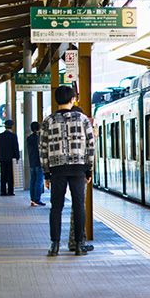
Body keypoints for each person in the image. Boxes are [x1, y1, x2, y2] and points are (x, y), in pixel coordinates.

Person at [39, 86, 95, 257]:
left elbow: (42, 149)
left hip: (57, 169)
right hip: (78, 168)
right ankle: (79, 245)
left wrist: (46, 174)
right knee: (79, 206)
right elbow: (90, 146)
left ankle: (54, 246)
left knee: (56, 207)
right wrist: (89, 169)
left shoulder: (48, 121)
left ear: (56, 101)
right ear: (72, 100)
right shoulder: (83, 119)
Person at [66, 106, 94, 253]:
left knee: (75, 208)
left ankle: (74, 241)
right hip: (80, 171)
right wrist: (89, 171)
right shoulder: (82, 128)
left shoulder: (63, 127)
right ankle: (78, 241)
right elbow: (90, 150)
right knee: (79, 208)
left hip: (66, 171)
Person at [0, 119, 20, 196]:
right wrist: (17, 157)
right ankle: (10, 191)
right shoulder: (13, 136)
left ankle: (2, 191)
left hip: (2, 158)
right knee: (10, 175)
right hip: (11, 159)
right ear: (11, 127)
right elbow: (16, 147)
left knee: (3, 175)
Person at [27, 121, 45, 207]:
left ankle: (32, 199)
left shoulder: (29, 138)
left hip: (32, 162)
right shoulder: (39, 138)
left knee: (33, 181)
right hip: (39, 162)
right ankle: (37, 199)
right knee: (39, 181)